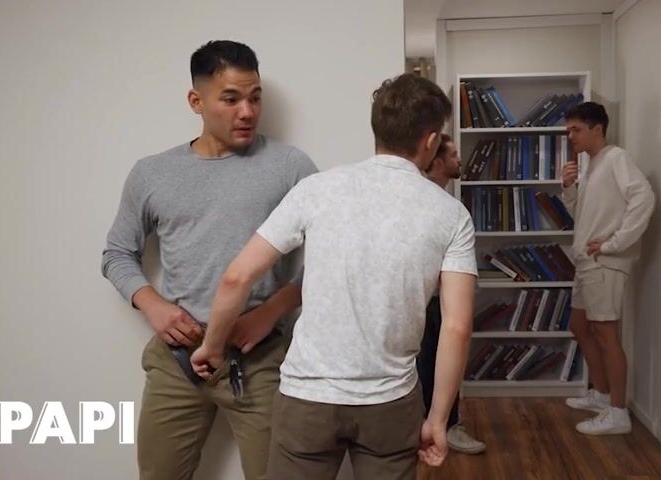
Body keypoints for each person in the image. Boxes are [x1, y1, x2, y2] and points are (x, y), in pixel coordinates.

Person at [190, 73, 478, 479]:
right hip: (390, 402)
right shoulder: (452, 215)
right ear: (431, 140)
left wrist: (213, 346)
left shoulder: (317, 189)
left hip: (307, 398)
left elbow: (237, 277)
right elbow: (457, 327)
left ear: (377, 129)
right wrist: (438, 418)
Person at [100, 40, 318, 480]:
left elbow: (331, 256)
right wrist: (153, 304)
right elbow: (117, 253)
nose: (247, 112)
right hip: (177, 360)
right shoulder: (152, 173)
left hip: (258, 358)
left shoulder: (290, 167)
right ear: (196, 101)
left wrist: (271, 312)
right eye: (231, 99)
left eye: (255, 98)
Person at [560, 101, 655, 435]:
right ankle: (601, 394)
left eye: (576, 129)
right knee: (579, 325)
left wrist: (615, 243)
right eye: (568, 130)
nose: (570, 136)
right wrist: (569, 188)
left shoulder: (616, 158)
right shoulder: (593, 165)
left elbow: (644, 197)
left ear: (597, 128)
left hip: (605, 263)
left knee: (605, 334)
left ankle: (618, 411)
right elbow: (583, 215)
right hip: (587, 261)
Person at [417, 133, 486, 455]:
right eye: (454, 154)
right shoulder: (421, 203)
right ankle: (437, 427)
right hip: (424, 300)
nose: (460, 159)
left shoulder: (449, 206)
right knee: (426, 366)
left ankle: (447, 424)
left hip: (442, 299)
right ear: (437, 162)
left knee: (444, 364)